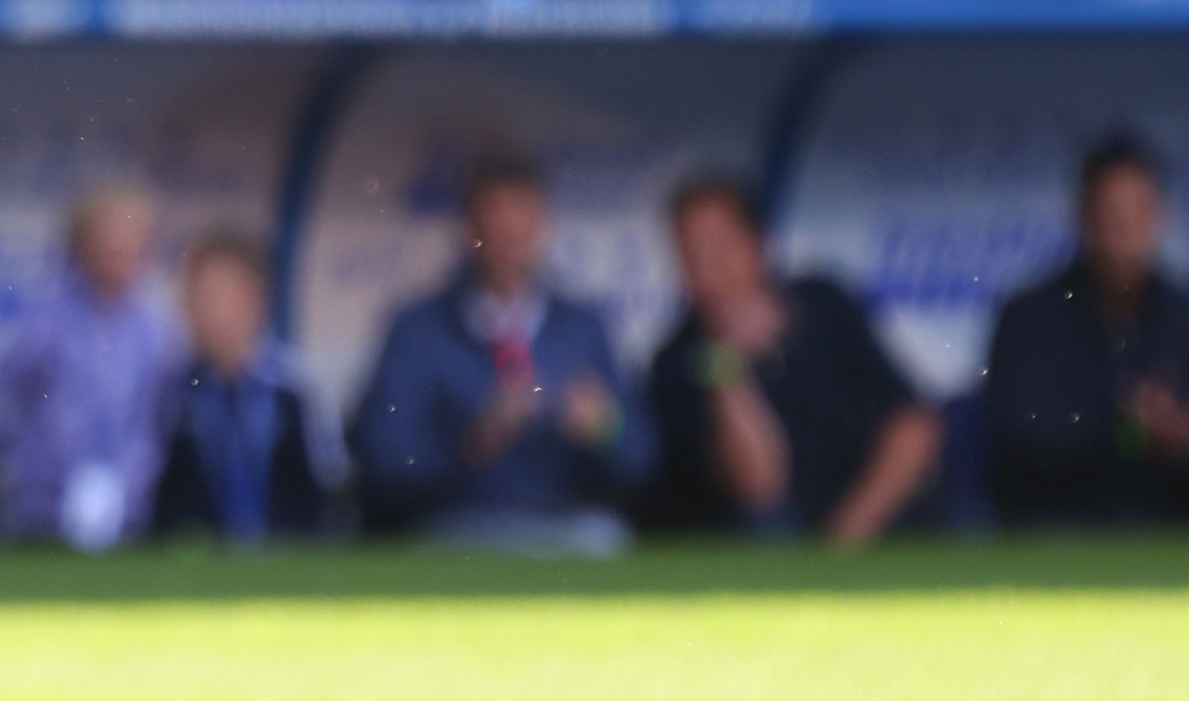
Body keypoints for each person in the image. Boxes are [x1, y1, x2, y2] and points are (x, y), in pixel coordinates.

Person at [352, 148, 647, 546]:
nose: (509, 239)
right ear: (469, 228)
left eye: (522, 222)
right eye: (495, 224)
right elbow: (384, 463)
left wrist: (604, 427)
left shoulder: (581, 326)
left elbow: (640, 458)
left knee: (603, 538)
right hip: (457, 529)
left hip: (566, 527)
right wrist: (472, 443)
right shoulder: (419, 330)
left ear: (543, 226)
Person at [644, 173, 937, 542]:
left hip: (868, 518)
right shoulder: (678, 360)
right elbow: (759, 487)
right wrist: (726, 362)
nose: (708, 266)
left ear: (758, 246)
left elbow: (913, 424)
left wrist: (847, 536)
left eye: (720, 244)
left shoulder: (823, 302)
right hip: (772, 547)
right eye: (691, 252)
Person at [0, 180, 178, 546]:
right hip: (42, 508)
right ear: (80, 247)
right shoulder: (45, 320)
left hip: (130, 507)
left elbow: (161, 416)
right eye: (108, 245)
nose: (119, 256)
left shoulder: (156, 326)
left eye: (130, 246)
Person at [985, 131, 1189, 523]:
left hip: (1171, 525)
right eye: (1111, 211)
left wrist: (1176, 433)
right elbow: (1015, 439)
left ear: (1162, 215)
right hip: (1059, 529)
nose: (1125, 226)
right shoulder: (1030, 316)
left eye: (1138, 210)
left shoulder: (1183, 315)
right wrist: (1122, 418)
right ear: (1083, 215)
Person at [147, 230, 333, 542]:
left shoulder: (292, 386)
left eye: (217, 295)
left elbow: (326, 481)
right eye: (195, 297)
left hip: (287, 559)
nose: (202, 311)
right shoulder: (174, 389)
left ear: (255, 299)